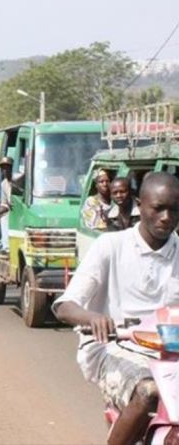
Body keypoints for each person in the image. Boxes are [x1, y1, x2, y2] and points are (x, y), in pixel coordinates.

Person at [53, 172, 179, 445]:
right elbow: (64, 306)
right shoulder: (110, 246)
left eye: (174, 209)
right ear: (139, 205)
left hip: (171, 353)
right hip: (115, 347)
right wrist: (93, 318)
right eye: (158, 208)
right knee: (149, 391)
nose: (166, 217)